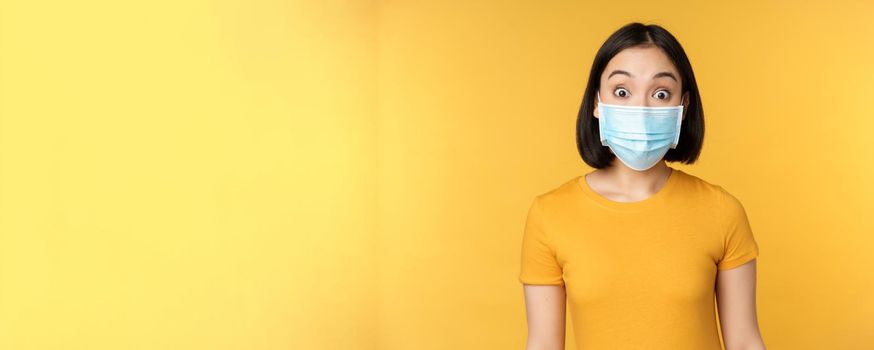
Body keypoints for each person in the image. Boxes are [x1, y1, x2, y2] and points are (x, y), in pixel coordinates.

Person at [519, 22, 766, 350]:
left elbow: (745, 342)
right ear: (597, 102)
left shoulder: (722, 210)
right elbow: (543, 344)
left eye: (661, 93)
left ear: (683, 106)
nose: (641, 108)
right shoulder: (550, 214)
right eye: (622, 92)